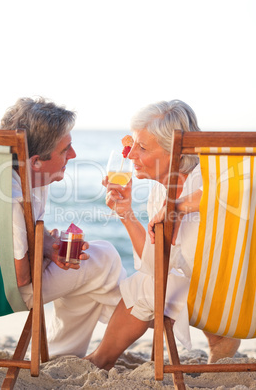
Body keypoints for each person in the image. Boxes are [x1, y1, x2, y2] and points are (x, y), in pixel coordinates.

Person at [85, 100, 240, 369]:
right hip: (205, 288)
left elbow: (234, 191)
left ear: (176, 153)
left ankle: (100, 360)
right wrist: (126, 213)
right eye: (132, 144)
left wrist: (180, 206)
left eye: (142, 147)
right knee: (148, 281)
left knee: (145, 287)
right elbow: (155, 264)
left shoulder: (212, 178)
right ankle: (220, 340)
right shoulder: (160, 191)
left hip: (234, 293)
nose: (131, 154)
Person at [0, 96, 127, 358]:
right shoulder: (13, 199)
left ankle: (69, 350)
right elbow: (21, 278)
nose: (74, 155)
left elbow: (19, 236)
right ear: (35, 161)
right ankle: (135, 313)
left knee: (91, 261)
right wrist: (43, 250)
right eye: (65, 149)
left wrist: (47, 244)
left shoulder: (18, 180)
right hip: (3, 292)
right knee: (103, 258)